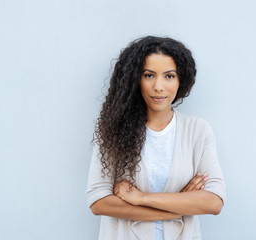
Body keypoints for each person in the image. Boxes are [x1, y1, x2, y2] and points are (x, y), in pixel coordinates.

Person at [85, 36, 226, 240]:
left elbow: (213, 202)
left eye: (169, 76)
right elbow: (98, 201)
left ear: (181, 80)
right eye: (149, 75)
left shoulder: (198, 130)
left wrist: (140, 198)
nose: (158, 86)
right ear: (136, 79)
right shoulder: (114, 130)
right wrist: (179, 207)